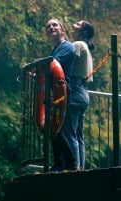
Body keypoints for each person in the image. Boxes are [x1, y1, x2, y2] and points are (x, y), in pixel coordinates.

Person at [61, 20, 95, 171]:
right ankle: (80, 167)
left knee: (69, 133)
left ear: (83, 31)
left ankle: (74, 167)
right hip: (83, 92)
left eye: (77, 24)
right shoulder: (86, 47)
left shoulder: (77, 45)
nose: (73, 25)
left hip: (74, 90)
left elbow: (67, 66)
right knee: (78, 135)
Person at [45, 18, 76, 172]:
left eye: (54, 25)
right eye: (48, 27)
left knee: (58, 128)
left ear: (62, 30)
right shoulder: (55, 49)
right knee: (54, 128)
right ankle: (60, 163)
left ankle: (69, 163)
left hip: (62, 94)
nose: (51, 27)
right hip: (55, 94)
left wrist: (37, 66)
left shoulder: (67, 47)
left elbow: (52, 65)